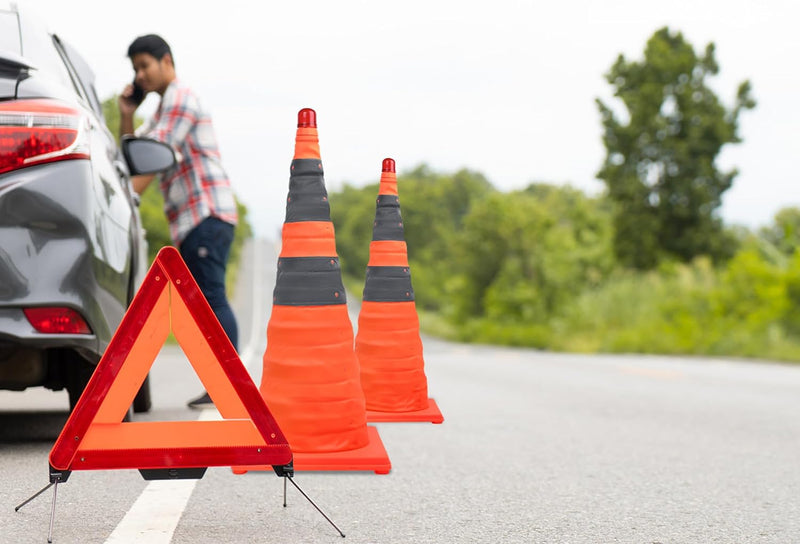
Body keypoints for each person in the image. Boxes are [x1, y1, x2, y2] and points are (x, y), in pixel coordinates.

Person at [119, 34, 239, 409]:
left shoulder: (180, 99)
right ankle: (224, 384)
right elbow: (132, 153)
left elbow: (150, 156)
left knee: (212, 297)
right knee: (201, 302)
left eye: (144, 66)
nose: (140, 75)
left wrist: (123, 198)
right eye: (135, 69)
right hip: (192, 220)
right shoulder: (161, 110)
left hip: (206, 213)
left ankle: (230, 386)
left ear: (166, 60)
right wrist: (126, 112)